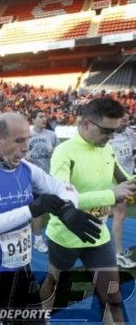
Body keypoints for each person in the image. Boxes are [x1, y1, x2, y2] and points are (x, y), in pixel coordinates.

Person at [0, 112, 101, 324]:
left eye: (27, 139)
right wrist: (33, 209)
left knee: (36, 319)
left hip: (21, 263)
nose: (26, 147)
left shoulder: (26, 168)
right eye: (19, 141)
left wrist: (66, 208)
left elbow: (61, 187)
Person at [41, 98, 136, 323]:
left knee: (112, 294)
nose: (112, 136)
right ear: (85, 124)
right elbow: (62, 198)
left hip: (98, 235)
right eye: (106, 131)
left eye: (116, 131)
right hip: (65, 235)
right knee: (53, 284)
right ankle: (41, 318)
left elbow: (125, 179)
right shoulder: (64, 152)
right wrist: (111, 195)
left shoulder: (107, 148)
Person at [26, 110, 58, 253]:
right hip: (30, 177)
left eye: (45, 116)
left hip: (48, 176)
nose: (44, 119)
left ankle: (43, 237)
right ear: (33, 119)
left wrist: (55, 153)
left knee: (47, 208)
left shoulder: (52, 135)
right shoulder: (26, 134)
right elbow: (17, 153)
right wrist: (25, 157)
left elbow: (59, 151)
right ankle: (37, 239)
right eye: (40, 117)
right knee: (35, 210)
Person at [109, 111, 136, 268]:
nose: (125, 123)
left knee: (116, 213)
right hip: (114, 182)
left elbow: (133, 153)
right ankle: (118, 254)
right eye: (122, 120)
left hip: (127, 179)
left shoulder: (129, 134)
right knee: (121, 213)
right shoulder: (108, 137)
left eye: (127, 120)